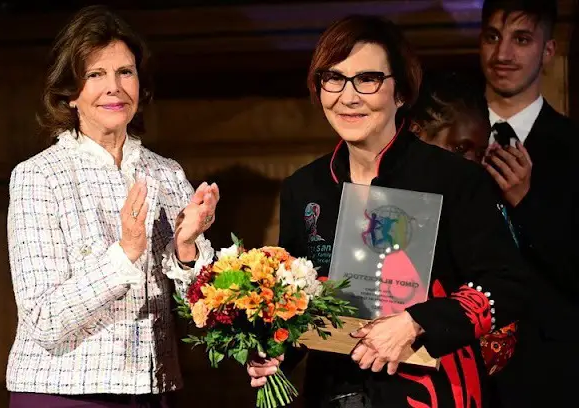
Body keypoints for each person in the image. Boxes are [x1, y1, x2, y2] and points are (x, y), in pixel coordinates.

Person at [247, 15, 529, 408]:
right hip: (333, 392)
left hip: (433, 391)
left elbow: (507, 285)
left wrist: (416, 322)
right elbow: (299, 304)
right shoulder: (305, 187)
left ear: (401, 91)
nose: (348, 97)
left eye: (367, 79)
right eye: (334, 78)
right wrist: (276, 354)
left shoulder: (453, 179)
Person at [5, 6, 218, 408]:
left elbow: (201, 312)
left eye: (125, 72)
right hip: (63, 392)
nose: (114, 88)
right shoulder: (39, 177)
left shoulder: (167, 173)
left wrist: (187, 247)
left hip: (152, 390)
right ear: (70, 94)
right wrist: (125, 254)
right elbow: (45, 320)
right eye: (95, 74)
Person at [478, 1, 579, 406]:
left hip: (549, 373)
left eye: (521, 39)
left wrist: (527, 204)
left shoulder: (573, 147)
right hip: (455, 363)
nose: (503, 54)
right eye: (492, 37)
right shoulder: (443, 139)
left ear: (548, 51)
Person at [409, 71, 519, 376]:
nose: (471, 162)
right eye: (460, 148)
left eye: (479, 153)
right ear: (416, 134)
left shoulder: (481, 209)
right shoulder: (387, 212)